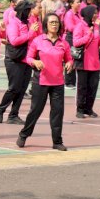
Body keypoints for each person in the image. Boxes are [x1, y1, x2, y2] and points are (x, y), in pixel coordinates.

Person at [16, 13, 72, 151]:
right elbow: (28, 58)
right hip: (41, 82)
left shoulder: (63, 43)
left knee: (58, 112)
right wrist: (35, 61)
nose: (54, 24)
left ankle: (57, 141)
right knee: (35, 111)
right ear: (46, 24)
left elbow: (69, 58)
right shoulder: (38, 41)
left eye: (56, 22)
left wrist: (70, 63)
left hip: (58, 82)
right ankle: (24, 134)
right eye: (52, 22)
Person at [0, 0, 36, 125]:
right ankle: (0, 109)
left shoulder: (29, 23)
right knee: (14, 87)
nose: (30, 13)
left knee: (22, 88)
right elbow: (14, 41)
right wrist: (30, 34)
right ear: (23, 11)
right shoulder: (13, 23)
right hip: (15, 59)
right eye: (28, 10)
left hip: (27, 59)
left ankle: (13, 115)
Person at [73, 5, 100, 118]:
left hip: (95, 62)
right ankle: (80, 110)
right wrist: (88, 35)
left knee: (93, 87)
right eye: (94, 13)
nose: (96, 15)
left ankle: (89, 109)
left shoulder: (96, 26)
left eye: (97, 13)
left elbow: (97, 43)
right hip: (83, 62)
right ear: (88, 14)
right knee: (82, 88)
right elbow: (76, 43)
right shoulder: (80, 26)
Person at [63, 0, 82, 89]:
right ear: (71, 4)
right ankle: (68, 82)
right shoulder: (69, 14)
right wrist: (80, 29)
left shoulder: (78, 14)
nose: (79, 4)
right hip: (70, 38)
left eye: (79, 2)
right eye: (77, 2)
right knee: (70, 58)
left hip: (76, 37)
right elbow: (70, 27)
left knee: (75, 58)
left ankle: (73, 81)